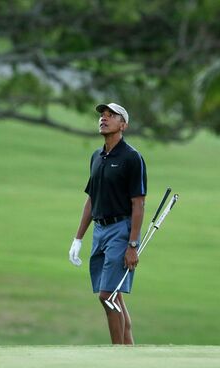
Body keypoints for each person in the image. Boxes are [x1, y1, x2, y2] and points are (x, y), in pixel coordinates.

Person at [69, 102, 147, 345]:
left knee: (108, 295)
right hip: (100, 231)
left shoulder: (132, 157)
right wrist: (78, 238)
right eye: (102, 115)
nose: (104, 118)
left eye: (111, 115)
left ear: (123, 125)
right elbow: (92, 199)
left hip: (121, 230)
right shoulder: (97, 156)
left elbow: (138, 204)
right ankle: (128, 351)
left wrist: (132, 244)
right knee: (114, 296)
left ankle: (117, 355)